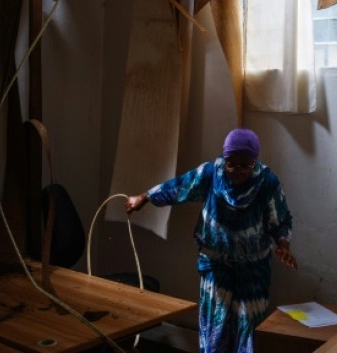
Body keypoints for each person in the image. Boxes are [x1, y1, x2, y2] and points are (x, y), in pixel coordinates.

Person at [125, 128, 297, 353]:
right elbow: (180, 186)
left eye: (245, 164)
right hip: (216, 268)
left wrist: (283, 245)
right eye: (231, 163)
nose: (238, 170)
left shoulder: (267, 183)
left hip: (253, 273)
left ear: (255, 161)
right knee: (214, 331)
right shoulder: (211, 173)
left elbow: (281, 220)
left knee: (248, 332)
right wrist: (145, 197)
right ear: (224, 159)